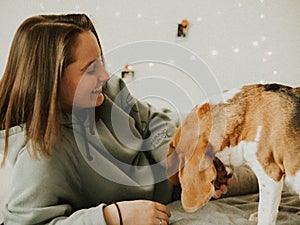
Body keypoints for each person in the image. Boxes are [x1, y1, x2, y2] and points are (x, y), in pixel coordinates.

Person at [0, 14, 231, 225]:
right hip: (166, 200)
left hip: (179, 172)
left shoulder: (108, 92)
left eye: (100, 61)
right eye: (90, 69)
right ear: (51, 79)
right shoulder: (40, 156)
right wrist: (111, 217)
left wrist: (177, 163)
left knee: (251, 165)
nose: (104, 75)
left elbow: (152, 119)